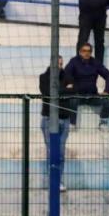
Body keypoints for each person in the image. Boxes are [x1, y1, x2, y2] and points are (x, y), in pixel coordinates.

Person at [40, 56, 74, 192]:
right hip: (49, 119)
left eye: (61, 64)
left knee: (60, 152)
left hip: (64, 119)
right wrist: (64, 89)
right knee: (52, 152)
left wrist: (58, 91)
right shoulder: (43, 77)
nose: (59, 67)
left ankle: (58, 181)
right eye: (57, 64)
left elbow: (73, 91)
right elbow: (47, 93)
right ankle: (53, 181)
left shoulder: (67, 75)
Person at [64, 43, 109, 132]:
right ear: (80, 52)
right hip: (78, 95)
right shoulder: (74, 61)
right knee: (72, 99)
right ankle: (72, 124)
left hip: (92, 95)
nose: (86, 53)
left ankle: (103, 123)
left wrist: (107, 91)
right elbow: (66, 73)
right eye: (84, 51)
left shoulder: (95, 62)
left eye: (89, 51)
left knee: (107, 100)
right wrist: (70, 82)